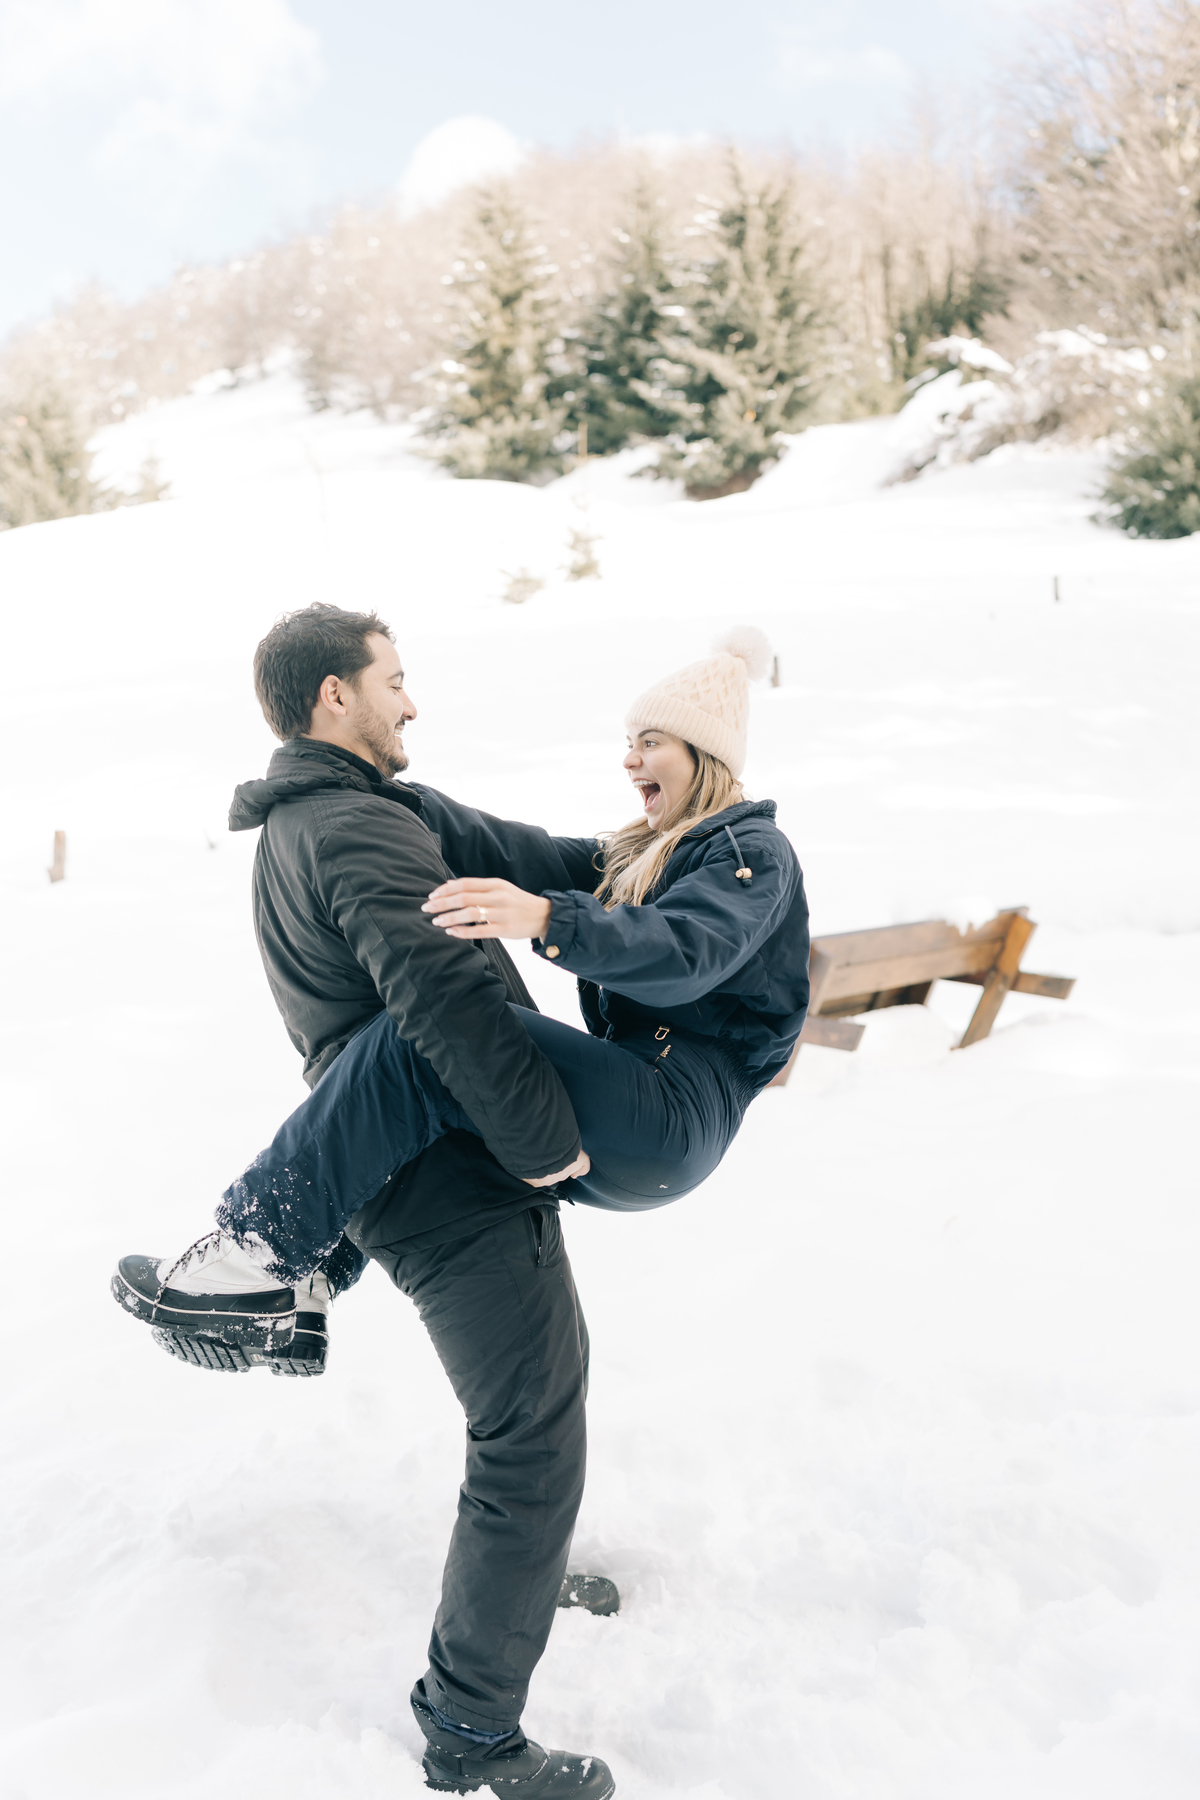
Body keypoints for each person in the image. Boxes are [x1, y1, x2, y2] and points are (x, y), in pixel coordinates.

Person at [112, 604, 612, 1800]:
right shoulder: (352, 827)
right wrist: (547, 1146)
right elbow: (441, 1001)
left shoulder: (318, 821)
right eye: (395, 680)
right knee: (529, 1432)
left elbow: (515, 863)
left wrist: (641, 856)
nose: (412, 701)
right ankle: (472, 1731)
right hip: (452, 1172)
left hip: (407, 1164)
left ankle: (295, 1268)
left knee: (540, 1406)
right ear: (335, 696)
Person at [114, 617, 811, 1370]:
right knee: (433, 1066)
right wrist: (360, 786)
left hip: (671, 1114)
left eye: (650, 743)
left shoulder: (749, 856)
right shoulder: (647, 853)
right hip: (639, 1107)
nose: (629, 759)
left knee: (425, 1036)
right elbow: (517, 847)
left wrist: (549, 918)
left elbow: (685, 954)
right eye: (630, 740)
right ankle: (307, 1275)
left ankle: (254, 1253)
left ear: (702, 753)